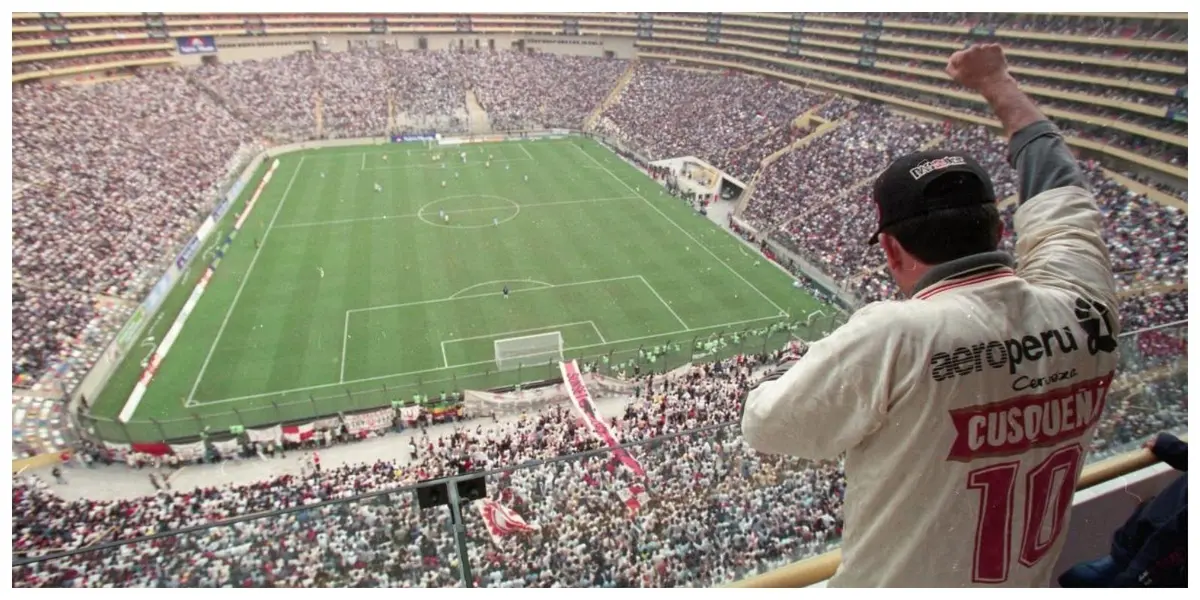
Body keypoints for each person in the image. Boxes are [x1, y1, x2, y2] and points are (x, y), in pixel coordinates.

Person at [740, 44, 1120, 587]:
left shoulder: (897, 334)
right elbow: (1061, 192)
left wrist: (994, 80)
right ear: (1000, 230)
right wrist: (999, 83)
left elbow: (766, 423)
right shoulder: (1086, 308)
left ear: (891, 249)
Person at [1058, 433, 1187, 588]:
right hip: (1140, 548)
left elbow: (1174, 542)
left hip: (1147, 565)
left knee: (1077, 578)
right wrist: (1173, 448)